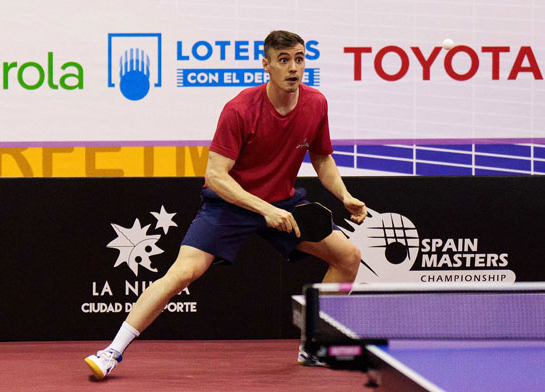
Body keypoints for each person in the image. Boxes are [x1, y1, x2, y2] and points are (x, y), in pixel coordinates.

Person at [85, 30, 367, 381]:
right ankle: (111, 351)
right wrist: (263, 209)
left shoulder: (316, 103)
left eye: (299, 58)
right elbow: (216, 176)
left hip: (282, 203)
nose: (293, 68)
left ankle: (313, 344)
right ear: (266, 65)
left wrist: (344, 195)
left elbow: (322, 158)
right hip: (231, 204)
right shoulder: (239, 110)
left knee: (347, 256)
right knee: (182, 272)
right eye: (283, 60)